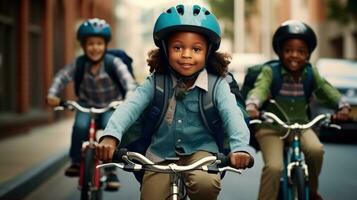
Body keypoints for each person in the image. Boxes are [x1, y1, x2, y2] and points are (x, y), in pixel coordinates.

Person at [95, 4, 253, 200]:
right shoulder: (156, 82)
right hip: (159, 154)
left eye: (196, 49)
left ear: (208, 52)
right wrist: (110, 136)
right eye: (178, 47)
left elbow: (232, 114)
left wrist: (240, 149)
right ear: (165, 49)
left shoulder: (217, 85)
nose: (186, 54)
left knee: (206, 185)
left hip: (202, 152)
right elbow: (129, 107)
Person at [245, 20, 351, 200]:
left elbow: (327, 91)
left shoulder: (311, 73)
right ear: (280, 52)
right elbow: (260, 89)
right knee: (274, 167)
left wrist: (343, 106)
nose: (294, 55)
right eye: (288, 50)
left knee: (316, 150)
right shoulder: (271, 71)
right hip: (271, 127)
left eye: (301, 51)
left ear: (308, 54)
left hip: (301, 126)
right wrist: (253, 105)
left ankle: (311, 191)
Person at [46, 18, 137, 191]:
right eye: (90, 44)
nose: (95, 48)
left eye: (99, 43)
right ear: (83, 45)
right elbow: (61, 77)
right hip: (87, 105)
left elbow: (129, 83)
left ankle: (110, 171)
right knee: (80, 126)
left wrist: (128, 100)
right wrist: (52, 94)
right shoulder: (79, 64)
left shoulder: (113, 63)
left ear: (105, 45)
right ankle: (75, 161)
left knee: (110, 130)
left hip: (111, 105)